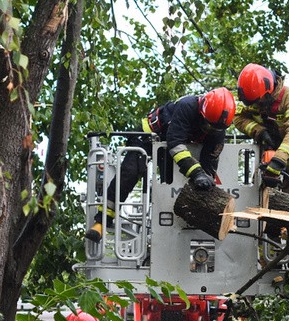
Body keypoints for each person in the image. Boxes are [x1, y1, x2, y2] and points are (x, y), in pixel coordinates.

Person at [86, 87, 236, 242]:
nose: (210, 130)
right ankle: (102, 221)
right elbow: (175, 143)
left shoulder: (218, 127)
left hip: (167, 147)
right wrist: (197, 173)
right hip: (148, 137)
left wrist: (205, 180)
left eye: (215, 128)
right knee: (130, 172)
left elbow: (210, 159)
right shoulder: (188, 106)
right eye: (208, 125)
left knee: (169, 187)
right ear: (202, 112)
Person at [234, 63, 289, 188]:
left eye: (258, 101)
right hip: (265, 157)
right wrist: (260, 132)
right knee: (257, 196)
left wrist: (278, 161)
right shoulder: (252, 97)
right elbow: (238, 117)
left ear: (267, 90)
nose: (256, 104)